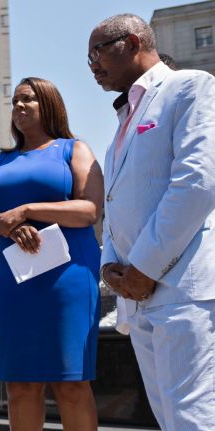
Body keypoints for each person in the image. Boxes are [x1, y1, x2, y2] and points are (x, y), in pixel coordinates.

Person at [88, 14, 215, 430]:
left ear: (130, 42)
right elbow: (117, 201)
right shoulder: (123, 119)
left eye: (97, 52)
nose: (91, 64)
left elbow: (197, 183)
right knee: (169, 418)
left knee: (192, 416)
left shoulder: (190, 87)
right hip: (135, 294)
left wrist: (143, 267)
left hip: (180, 288)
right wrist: (110, 265)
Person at [0, 77, 103, 430]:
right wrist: (4, 226)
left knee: (71, 382)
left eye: (28, 99)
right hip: (11, 284)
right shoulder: (0, 162)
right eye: (14, 101)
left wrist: (28, 210)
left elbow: (90, 210)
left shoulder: (73, 150)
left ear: (49, 104)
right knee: (20, 386)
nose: (19, 106)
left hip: (66, 281)